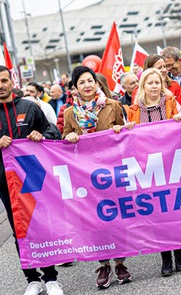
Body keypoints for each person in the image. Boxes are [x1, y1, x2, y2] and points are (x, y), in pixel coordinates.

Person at [0, 65, 64, 295]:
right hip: (4, 181)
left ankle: (51, 279)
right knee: (20, 230)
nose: (0, 85)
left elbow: (53, 133)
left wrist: (42, 136)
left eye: (4, 81)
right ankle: (32, 279)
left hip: (34, 179)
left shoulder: (29, 107)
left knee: (41, 226)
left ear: (12, 82)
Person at [62, 66, 131, 289]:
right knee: (95, 220)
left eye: (90, 80)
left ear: (97, 83)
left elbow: (124, 133)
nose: (87, 85)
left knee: (116, 215)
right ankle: (104, 264)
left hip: (111, 170)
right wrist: (70, 136)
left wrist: (121, 130)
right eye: (82, 82)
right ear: (75, 88)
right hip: (86, 173)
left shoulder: (112, 105)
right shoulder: (70, 113)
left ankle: (120, 262)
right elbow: (64, 141)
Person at [124, 68, 181, 276]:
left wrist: (180, 120)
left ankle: (180, 255)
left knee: (175, 210)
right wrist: (126, 130)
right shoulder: (133, 110)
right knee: (158, 213)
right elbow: (128, 140)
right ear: (143, 86)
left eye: (157, 83)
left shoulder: (171, 103)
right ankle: (165, 258)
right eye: (149, 83)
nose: (154, 86)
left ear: (162, 85)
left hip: (171, 163)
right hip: (148, 167)